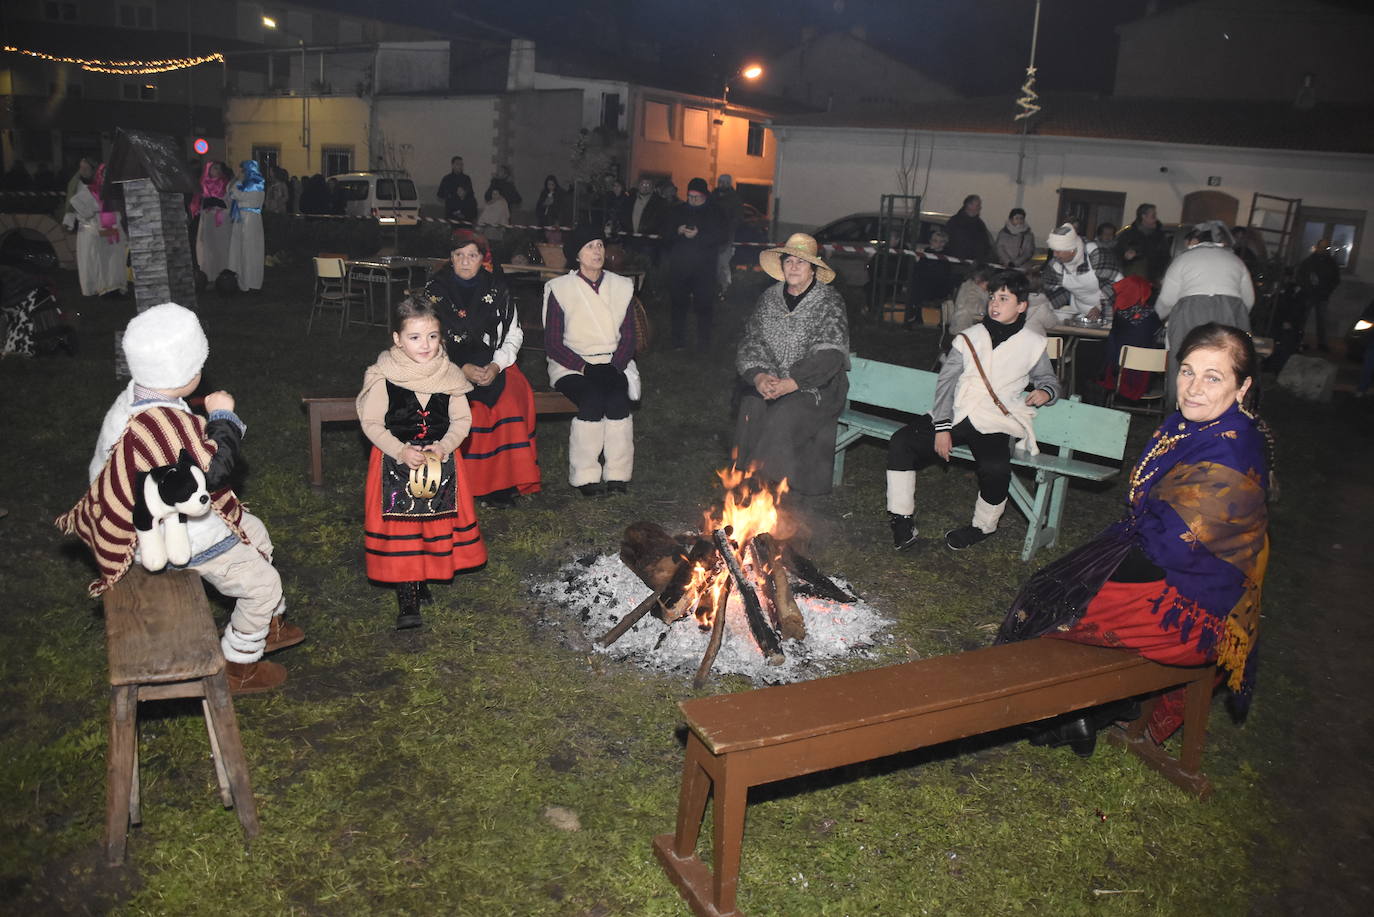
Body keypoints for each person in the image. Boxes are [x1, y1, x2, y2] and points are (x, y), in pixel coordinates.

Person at [998, 323, 1271, 755]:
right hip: (1165, 570)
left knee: (1055, 608)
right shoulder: (1189, 427)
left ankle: (1081, 712)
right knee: (1052, 591)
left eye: (1213, 377)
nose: (1194, 388)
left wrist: (1086, 578)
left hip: (1194, 607)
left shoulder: (1232, 451)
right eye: (1187, 372)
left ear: (1243, 387)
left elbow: (1173, 547)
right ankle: (1082, 713)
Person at [58, 303, 305, 693]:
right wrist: (223, 419)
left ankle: (267, 623)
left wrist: (197, 424)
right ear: (187, 371)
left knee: (256, 533)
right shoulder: (162, 425)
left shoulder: (136, 401)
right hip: (175, 538)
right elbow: (211, 474)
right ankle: (240, 663)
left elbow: (172, 452)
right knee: (264, 585)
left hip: (156, 521)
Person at [886, 269, 1058, 551]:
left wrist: (1044, 392)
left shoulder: (1033, 343)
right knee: (902, 442)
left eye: (1004, 298)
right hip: (958, 411)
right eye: (993, 297)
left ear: (1022, 306)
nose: (995, 303)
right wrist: (942, 428)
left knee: (995, 468)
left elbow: (1049, 381)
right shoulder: (968, 337)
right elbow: (946, 384)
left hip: (995, 420)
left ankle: (983, 526)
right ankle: (901, 518)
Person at [357, 296, 487, 630]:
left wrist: (444, 446)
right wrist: (399, 450)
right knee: (403, 527)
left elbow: (462, 421)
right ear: (397, 339)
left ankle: (422, 576)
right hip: (395, 463)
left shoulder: (450, 375)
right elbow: (372, 424)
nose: (425, 345)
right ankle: (407, 596)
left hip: (440, 464)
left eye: (432, 336)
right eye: (414, 337)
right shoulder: (384, 374)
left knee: (433, 524)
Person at [423, 230, 541, 504]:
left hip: (491, 360)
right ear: (450, 258)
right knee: (462, 408)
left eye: (471, 256)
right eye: (459, 255)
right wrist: (460, 368)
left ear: (482, 259)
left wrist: (497, 366)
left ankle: (501, 484)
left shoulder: (497, 290)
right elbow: (425, 340)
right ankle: (458, 484)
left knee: (508, 401)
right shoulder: (434, 293)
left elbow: (513, 334)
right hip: (443, 364)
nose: (465, 261)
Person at [733, 233, 849, 501]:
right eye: (789, 261)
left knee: (786, 413)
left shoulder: (829, 302)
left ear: (813, 269)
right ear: (782, 265)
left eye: (802, 262)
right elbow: (752, 340)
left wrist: (794, 382)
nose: (794, 267)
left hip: (818, 385)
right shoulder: (769, 299)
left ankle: (772, 491)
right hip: (773, 380)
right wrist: (759, 375)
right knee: (752, 405)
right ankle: (744, 483)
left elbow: (830, 352)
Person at [542, 225, 638, 496]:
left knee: (618, 399)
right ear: (576, 255)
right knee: (593, 398)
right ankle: (585, 475)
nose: (596, 251)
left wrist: (616, 366)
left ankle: (618, 474)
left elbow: (629, 336)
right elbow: (553, 342)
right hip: (572, 363)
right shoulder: (559, 289)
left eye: (599, 245)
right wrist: (585, 367)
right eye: (589, 246)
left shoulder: (621, 286)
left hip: (613, 361)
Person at [1155, 221, 1254, 406]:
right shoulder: (1235, 261)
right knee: (1228, 363)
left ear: (1194, 240)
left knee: (1185, 361)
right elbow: (1248, 300)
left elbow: (1167, 300)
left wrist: (1155, 318)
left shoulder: (1184, 259)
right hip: (1230, 313)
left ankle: (1181, 413)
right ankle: (1227, 411)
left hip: (1190, 314)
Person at [666, 177, 724, 350]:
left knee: (704, 305)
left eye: (696, 197)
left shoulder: (715, 212)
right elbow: (665, 233)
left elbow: (722, 236)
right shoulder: (678, 210)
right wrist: (677, 231)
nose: (692, 200)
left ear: (705, 196)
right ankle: (677, 341)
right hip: (680, 268)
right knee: (678, 305)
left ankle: (703, 342)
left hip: (704, 269)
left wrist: (699, 235)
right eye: (690, 196)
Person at [63, 162, 127, 297]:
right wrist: (89, 217)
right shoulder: (93, 190)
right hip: (98, 230)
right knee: (102, 261)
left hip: (114, 230)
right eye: (103, 175)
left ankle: (115, 288)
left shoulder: (117, 190)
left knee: (115, 260)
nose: (106, 178)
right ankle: (105, 289)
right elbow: (77, 204)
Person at [1043, 223, 1119, 322]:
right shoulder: (1055, 265)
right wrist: (1043, 308)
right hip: (1080, 309)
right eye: (1053, 250)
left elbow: (1113, 287)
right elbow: (1053, 293)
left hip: (1112, 305)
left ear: (1072, 250)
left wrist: (1100, 308)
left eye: (1058, 251)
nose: (1055, 255)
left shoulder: (1095, 254)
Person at [191, 161, 233, 284]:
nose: (217, 170)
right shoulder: (203, 184)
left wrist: (220, 204)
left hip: (222, 221)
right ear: (209, 170)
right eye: (215, 168)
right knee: (208, 247)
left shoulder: (226, 184)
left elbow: (229, 201)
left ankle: (223, 275)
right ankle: (209, 275)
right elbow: (197, 202)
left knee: (221, 247)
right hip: (208, 219)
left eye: (219, 168)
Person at [227, 160, 265, 292]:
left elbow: (237, 195)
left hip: (249, 219)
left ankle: (250, 281)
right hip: (245, 219)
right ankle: (244, 279)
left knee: (249, 250)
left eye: (242, 170)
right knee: (244, 249)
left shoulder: (255, 185)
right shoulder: (250, 184)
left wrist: (237, 182)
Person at [1297, 237, 1341, 352]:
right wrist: (1307, 288)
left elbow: (1336, 279)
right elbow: (1301, 276)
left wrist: (1327, 290)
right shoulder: (1309, 261)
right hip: (1309, 294)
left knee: (1321, 321)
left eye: (1325, 247)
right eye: (1321, 247)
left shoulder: (1331, 263)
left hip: (1322, 296)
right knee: (1302, 319)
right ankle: (1297, 341)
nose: (1323, 249)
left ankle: (1321, 344)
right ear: (1317, 247)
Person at [904, 228, 955, 323]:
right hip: (924, 284)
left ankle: (914, 317)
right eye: (935, 241)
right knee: (915, 287)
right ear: (930, 241)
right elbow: (919, 269)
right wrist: (918, 260)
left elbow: (942, 272)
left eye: (941, 241)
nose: (937, 243)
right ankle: (915, 317)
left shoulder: (947, 255)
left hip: (939, 286)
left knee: (917, 288)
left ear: (945, 243)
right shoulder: (926, 252)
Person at [1115, 203, 1172, 284]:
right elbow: (1118, 255)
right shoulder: (1128, 234)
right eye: (1153, 216)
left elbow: (1165, 257)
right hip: (1133, 279)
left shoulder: (1160, 235)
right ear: (1143, 216)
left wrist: (1160, 276)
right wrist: (1126, 257)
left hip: (1154, 280)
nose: (1155, 218)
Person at [712, 174, 744, 298]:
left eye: (725, 182)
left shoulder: (734, 199)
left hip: (726, 237)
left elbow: (737, 218)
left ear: (729, 183)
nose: (722, 184)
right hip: (711, 237)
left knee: (722, 264)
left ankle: (725, 289)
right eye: (720, 181)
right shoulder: (713, 196)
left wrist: (727, 229)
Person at [943, 194, 992, 267]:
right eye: (977, 205)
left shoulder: (980, 225)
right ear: (967, 205)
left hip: (974, 268)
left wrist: (980, 259)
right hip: (954, 265)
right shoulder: (954, 221)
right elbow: (945, 241)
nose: (978, 208)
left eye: (979, 206)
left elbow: (986, 245)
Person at [947, 267, 993, 338]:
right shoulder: (971, 290)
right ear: (983, 281)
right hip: (964, 327)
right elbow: (975, 308)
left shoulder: (969, 286)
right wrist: (989, 309)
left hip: (963, 325)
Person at [437, 155, 475, 220]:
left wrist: (464, 195)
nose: (460, 166)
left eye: (461, 164)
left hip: (464, 213)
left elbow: (471, 194)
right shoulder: (446, 179)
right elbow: (440, 195)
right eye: (458, 164)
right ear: (452, 165)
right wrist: (449, 197)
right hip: (450, 213)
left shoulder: (466, 179)